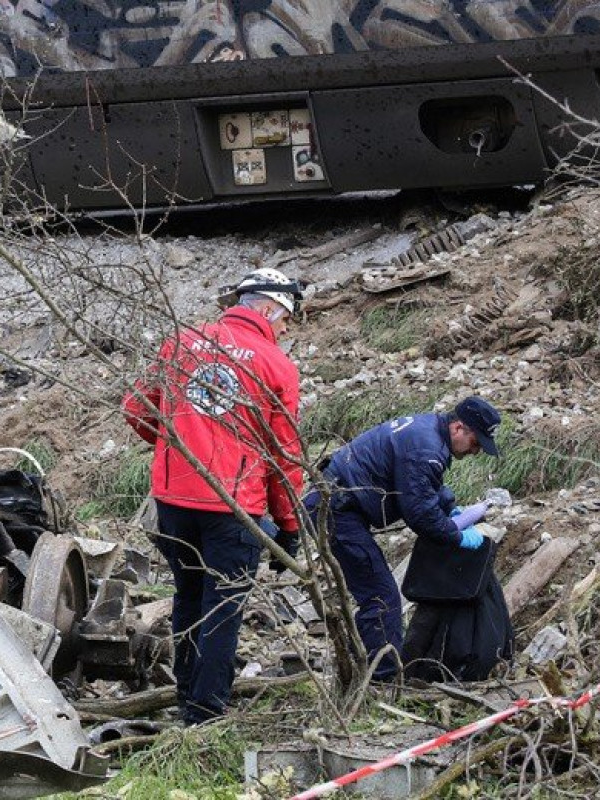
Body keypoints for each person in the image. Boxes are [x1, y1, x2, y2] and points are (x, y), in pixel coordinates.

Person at [122, 268, 306, 725]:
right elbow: (284, 455)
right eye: (285, 320)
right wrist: (290, 525)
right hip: (233, 506)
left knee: (187, 597)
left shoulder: (181, 341)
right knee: (223, 608)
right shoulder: (274, 364)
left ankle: (188, 696)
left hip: (174, 499)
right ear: (268, 307)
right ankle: (205, 715)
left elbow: (136, 407)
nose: (285, 331)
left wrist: (172, 442)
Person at [308, 396, 503, 680]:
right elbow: (421, 516)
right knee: (382, 596)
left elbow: (422, 484)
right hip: (336, 508)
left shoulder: (428, 431)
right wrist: (457, 535)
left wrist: (450, 508)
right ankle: (381, 679)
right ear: (459, 427)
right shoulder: (426, 448)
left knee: (376, 592)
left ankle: (360, 665)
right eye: (476, 443)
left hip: (341, 502)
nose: (475, 452)